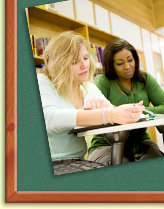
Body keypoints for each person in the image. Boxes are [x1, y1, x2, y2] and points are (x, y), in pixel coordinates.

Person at [37, 31, 145, 175]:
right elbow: (49, 119)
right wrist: (106, 114)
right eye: (75, 62)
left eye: (86, 58)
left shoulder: (87, 86)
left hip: (78, 160)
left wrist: (123, 112)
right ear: (59, 64)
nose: (84, 66)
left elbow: (112, 112)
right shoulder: (42, 81)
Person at [88, 39, 164, 165]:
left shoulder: (145, 78)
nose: (127, 66)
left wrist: (136, 112)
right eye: (120, 63)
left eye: (130, 60)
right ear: (111, 65)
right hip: (106, 144)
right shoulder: (102, 81)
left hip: (141, 143)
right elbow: (95, 113)